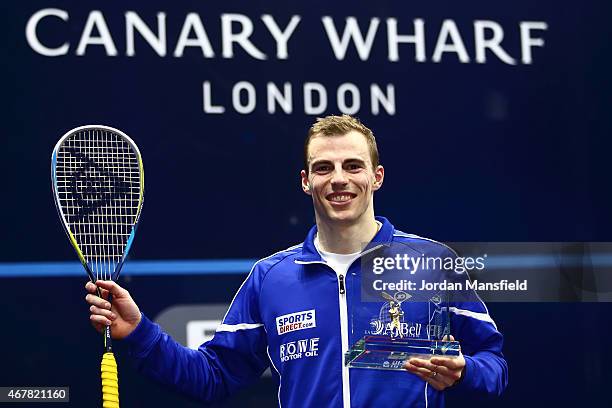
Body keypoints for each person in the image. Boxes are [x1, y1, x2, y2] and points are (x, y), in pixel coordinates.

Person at [86, 115, 508, 407]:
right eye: (323, 168)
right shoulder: (271, 278)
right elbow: (213, 378)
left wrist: (465, 371)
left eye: (352, 166)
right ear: (306, 182)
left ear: (376, 177)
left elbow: (494, 364)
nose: (339, 179)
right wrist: (139, 333)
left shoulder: (433, 263)